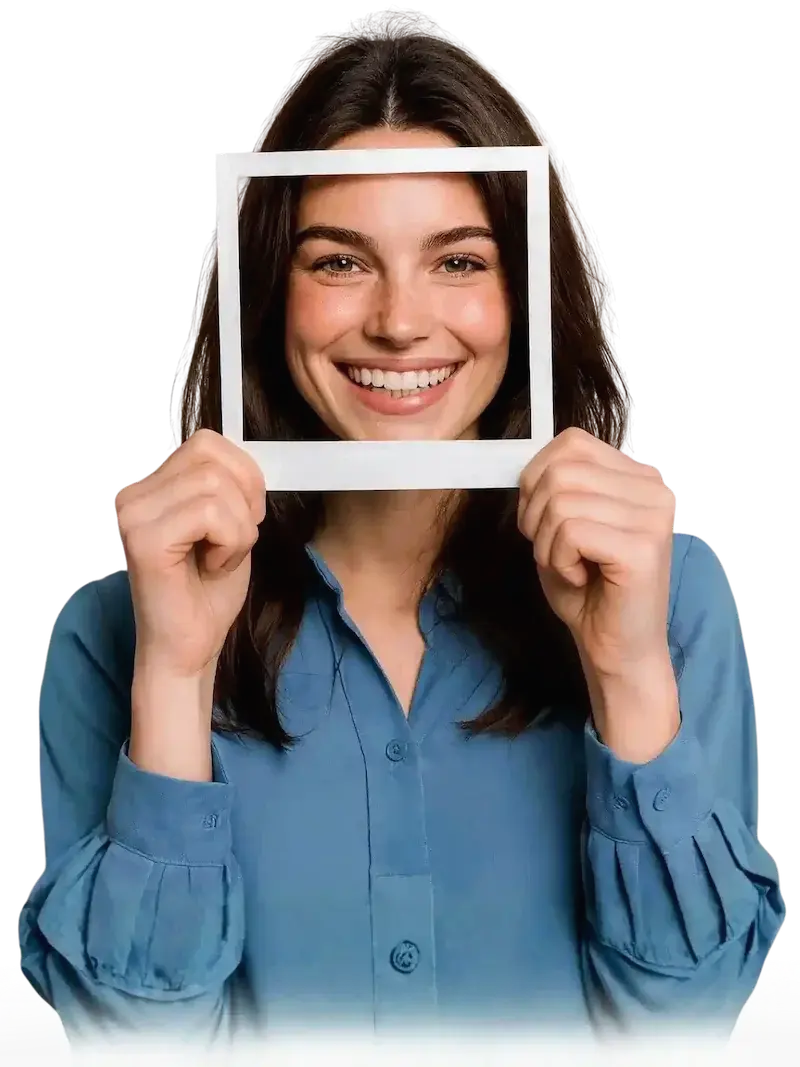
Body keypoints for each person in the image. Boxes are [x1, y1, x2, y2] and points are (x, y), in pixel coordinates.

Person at [18, 9, 785, 1055]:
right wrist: (174, 675)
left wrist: (623, 665)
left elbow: (684, 1027)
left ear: (522, 293)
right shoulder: (110, 635)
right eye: (338, 262)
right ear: (268, 293)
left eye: (458, 261)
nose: (397, 319)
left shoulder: (667, 597)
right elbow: (135, 1044)